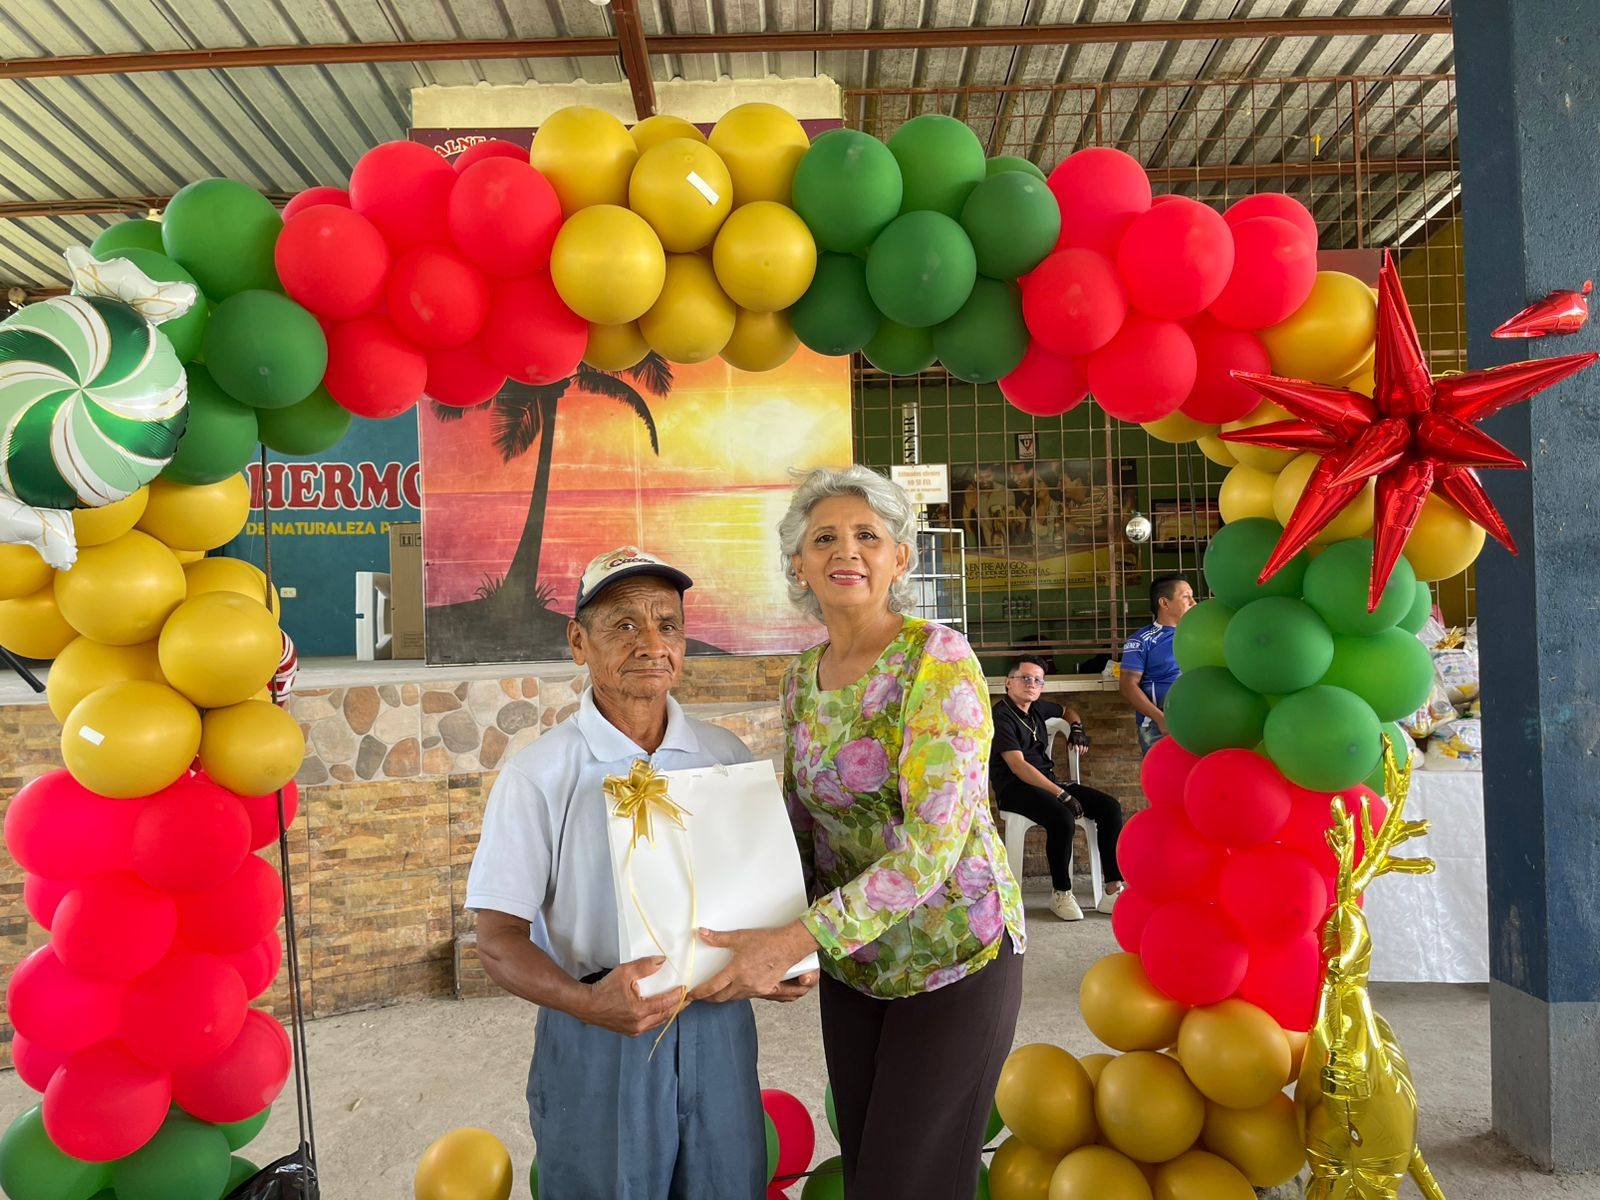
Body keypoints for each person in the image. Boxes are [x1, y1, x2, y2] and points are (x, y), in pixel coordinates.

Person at [690, 466, 1026, 1200]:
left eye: (867, 535)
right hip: (855, 963)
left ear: (899, 559)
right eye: (824, 539)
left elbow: (932, 849)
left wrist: (792, 939)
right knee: (871, 1172)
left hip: (954, 954)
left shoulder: (936, 658)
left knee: (912, 1183)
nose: (846, 551)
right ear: (799, 564)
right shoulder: (801, 677)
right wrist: (742, 923)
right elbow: (800, 824)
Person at [465, 546, 816, 1200]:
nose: (652, 643)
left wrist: (779, 962)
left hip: (719, 1029)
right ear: (578, 642)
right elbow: (496, 939)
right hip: (598, 1031)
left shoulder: (725, 757)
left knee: (725, 1186)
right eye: (624, 625)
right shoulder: (539, 775)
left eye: (667, 624)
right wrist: (588, 1004)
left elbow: (760, 899)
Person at [990, 655, 1126, 921]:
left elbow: (1067, 711)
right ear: (1008, 682)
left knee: (1109, 807)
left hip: (1048, 782)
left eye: (1037, 680)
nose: (1031, 684)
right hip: (1015, 790)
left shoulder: (1037, 708)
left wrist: (1076, 728)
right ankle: (1061, 893)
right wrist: (1061, 794)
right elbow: (1018, 766)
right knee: (1062, 818)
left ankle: (1112, 889)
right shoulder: (1001, 716)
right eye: (1025, 678)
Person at [1120, 573, 1196, 755]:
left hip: (1197, 720)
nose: (1194, 603)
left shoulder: (1198, 636)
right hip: (1159, 726)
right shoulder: (1142, 640)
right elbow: (1127, 685)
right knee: (1166, 773)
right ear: (1164, 603)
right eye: (1186, 597)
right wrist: (1161, 719)